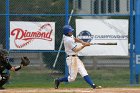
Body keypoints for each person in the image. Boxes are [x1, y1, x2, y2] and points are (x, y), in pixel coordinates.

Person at [54, 25, 99, 89]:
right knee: (72, 78)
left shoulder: (69, 36)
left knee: (83, 72)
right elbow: (76, 49)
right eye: (70, 31)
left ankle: (93, 85)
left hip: (76, 58)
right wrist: (84, 45)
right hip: (71, 59)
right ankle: (58, 80)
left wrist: (82, 42)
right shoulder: (68, 40)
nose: (71, 32)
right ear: (66, 32)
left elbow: (74, 39)